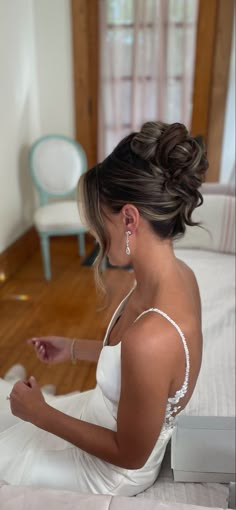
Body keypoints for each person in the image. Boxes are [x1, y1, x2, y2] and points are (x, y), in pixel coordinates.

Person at [0, 121, 208, 496]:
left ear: (129, 218)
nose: (95, 234)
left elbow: (128, 453)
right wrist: (73, 347)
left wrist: (41, 415)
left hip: (108, 468)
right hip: (103, 414)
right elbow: (138, 366)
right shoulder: (178, 274)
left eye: (100, 221)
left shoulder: (154, 335)